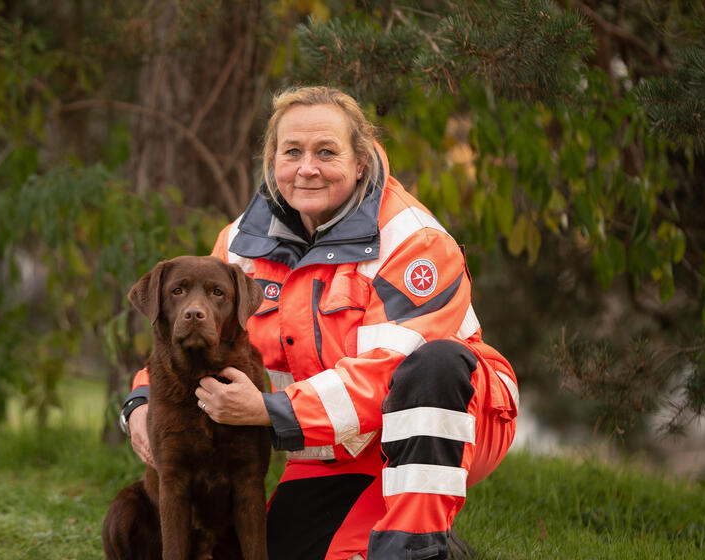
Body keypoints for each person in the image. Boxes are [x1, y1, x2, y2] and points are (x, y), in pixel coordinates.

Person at [119, 86, 519, 560]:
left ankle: (418, 546)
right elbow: (200, 339)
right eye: (292, 152)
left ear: (361, 162)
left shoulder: (413, 239)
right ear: (272, 161)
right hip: (327, 447)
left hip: (445, 419)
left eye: (326, 152)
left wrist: (273, 412)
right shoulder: (242, 241)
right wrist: (144, 398)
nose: (307, 167)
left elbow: (388, 372)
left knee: (435, 363)